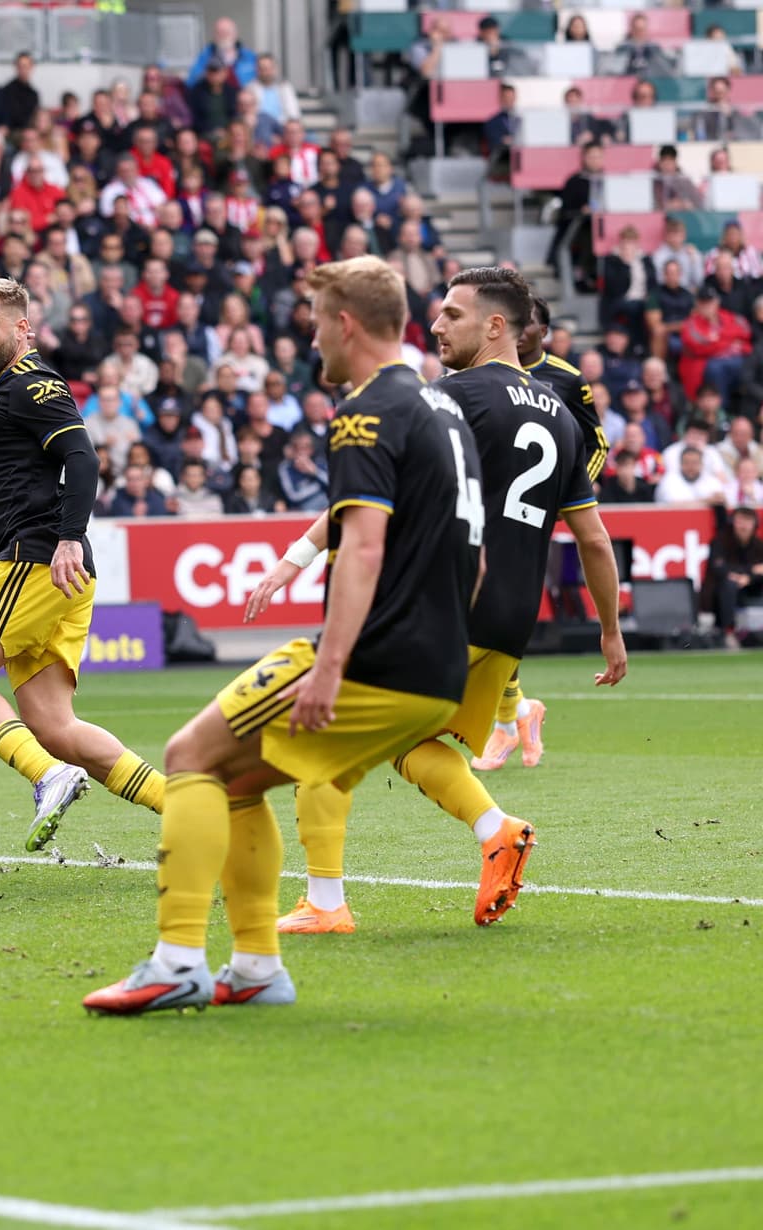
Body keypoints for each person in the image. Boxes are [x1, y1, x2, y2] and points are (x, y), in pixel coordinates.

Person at [82, 257, 484, 1016]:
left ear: (347, 324)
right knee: (236, 782)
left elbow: (361, 548)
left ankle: (175, 962)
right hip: (436, 667)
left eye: (314, 318)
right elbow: (478, 554)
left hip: (375, 659)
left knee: (188, 757)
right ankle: (258, 966)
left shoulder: (366, 411)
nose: (308, 337)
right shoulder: (445, 411)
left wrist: (331, 667)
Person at [248, 267, 626, 936]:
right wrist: (611, 633)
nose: (436, 325)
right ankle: (496, 829)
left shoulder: (449, 399)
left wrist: (294, 559)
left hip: (443, 602)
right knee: (410, 739)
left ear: (495, 325)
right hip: (510, 624)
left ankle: (326, 904)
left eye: (452, 313)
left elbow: (370, 497)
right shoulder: (563, 418)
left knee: (319, 727)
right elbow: (593, 540)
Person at [0, 276, 167, 860]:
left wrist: (66, 539)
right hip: (43, 563)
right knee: (56, 728)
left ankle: (48, 777)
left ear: (22, 329)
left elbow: (81, 458)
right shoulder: (7, 390)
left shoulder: (33, 385)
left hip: (37, 566)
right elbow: (28, 479)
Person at [474, 294, 606, 771]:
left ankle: (507, 721)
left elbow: (596, 443)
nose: (519, 329)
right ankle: (515, 715)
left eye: (528, 323)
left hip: (532, 510)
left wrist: (564, 497)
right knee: (491, 609)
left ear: (541, 332)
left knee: (497, 606)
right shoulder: (482, 377)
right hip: (493, 508)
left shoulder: (567, 380)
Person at [707, 506, 763, 648]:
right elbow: (718, 567)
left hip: (752, 586)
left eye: (747, 522)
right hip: (723, 589)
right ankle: (729, 632)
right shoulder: (721, 541)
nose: (743, 526)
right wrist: (749, 572)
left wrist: (748, 578)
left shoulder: (758, 545)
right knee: (729, 585)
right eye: (740, 522)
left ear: (754, 524)